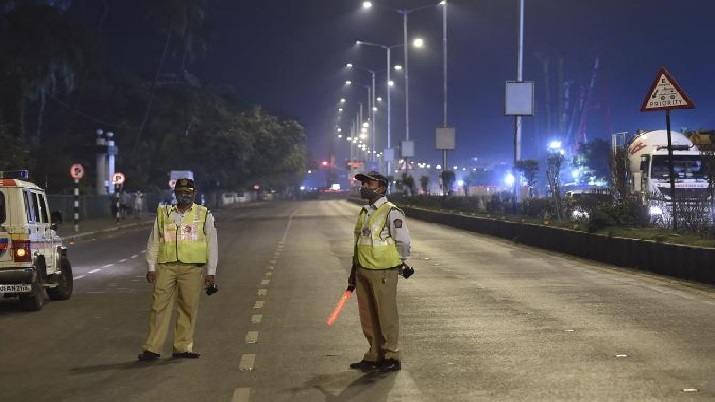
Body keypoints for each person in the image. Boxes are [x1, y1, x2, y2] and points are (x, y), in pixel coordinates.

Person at [137, 178, 218, 361]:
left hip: (192, 268)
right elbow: (154, 241)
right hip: (166, 267)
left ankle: (182, 347)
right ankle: (152, 348)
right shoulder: (164, 213)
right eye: (180, 192)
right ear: (175, 194)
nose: (184, 195)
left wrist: (211, 272)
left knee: (188, 308)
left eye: (188, 192)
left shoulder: (204, 214)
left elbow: (212, 244)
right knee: (158, 307)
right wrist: (151, 267)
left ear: (194, 194)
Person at [347, 171, 411, 372]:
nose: (364, 186)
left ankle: (391, 356)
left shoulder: (391, 212)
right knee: (368, 317)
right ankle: (374, 355)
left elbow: (403, 243)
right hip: (362, 270)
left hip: (384, 272)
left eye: (368, 183)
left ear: (381, 188)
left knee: (386, 316)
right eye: (363, 183)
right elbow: (359, 243)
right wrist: (354, 270)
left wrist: (398, 263)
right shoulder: (365, 211)